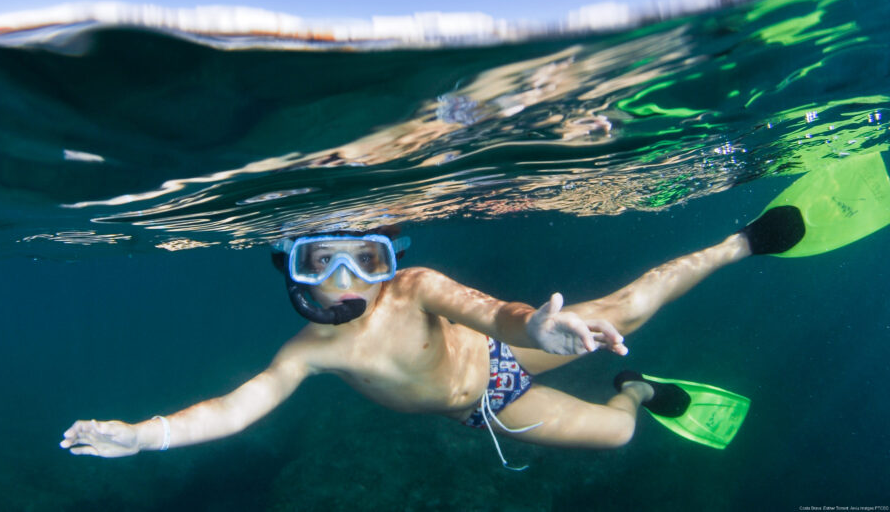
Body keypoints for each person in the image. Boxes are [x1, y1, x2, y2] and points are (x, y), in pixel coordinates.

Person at [61, 223, 771, 466]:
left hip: (508, 354)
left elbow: (493, 313)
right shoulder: (309, 352)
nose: (348, 281)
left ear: (388, 260)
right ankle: (641, 389)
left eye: (366, 260)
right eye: (323, 261)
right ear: (292, 269)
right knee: (618, 436)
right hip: (482, 412)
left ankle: (742, 243)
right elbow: (234, 410)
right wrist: (144, 436)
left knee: (628, 308)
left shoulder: (415, 287)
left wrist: (538, 329)